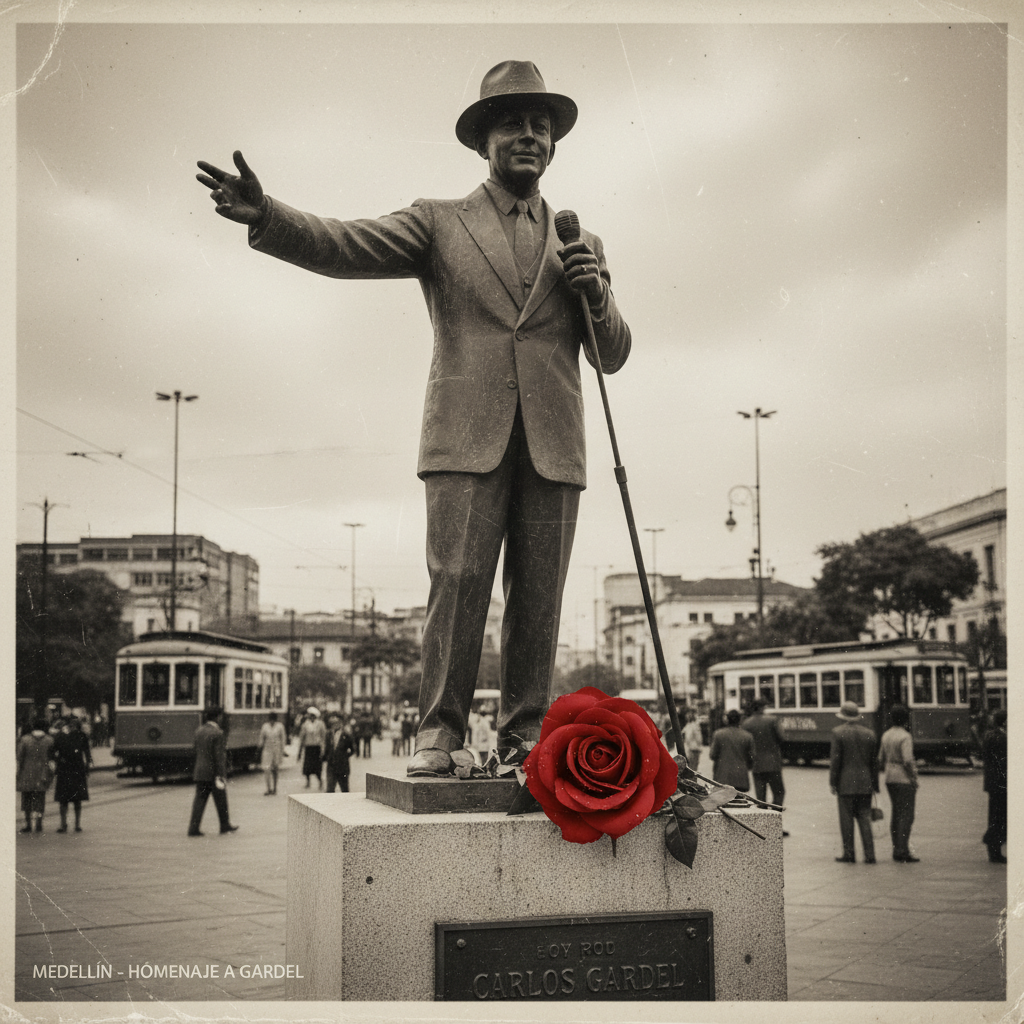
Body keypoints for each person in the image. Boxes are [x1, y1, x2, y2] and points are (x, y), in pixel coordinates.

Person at [197, 60, 630, 779]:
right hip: (466, 439)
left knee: (541, 598)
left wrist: (597, 293)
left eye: (541, 127)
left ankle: (524, 737)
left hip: (556, 444)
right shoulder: (439, 222)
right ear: (482, 140)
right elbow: (346, 244)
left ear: (553, 145)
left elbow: (610, 355)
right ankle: (440, 733)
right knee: (457, 582)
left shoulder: (579, 240)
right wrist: (269, 215)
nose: (530, 136)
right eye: (514, 124)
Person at [829, 701, 879, 864]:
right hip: (865, 783)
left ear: (843, 716)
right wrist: (875, 785)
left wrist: (833, 782)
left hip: (845, 783)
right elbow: (874, 763)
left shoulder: (837, 733)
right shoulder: (870, 734)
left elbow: (835, 761)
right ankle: (870, 855)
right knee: (865, 818)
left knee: (846, 820)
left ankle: (849, 854)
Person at [187, 707, 238, 836]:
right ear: (217, 717)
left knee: (199, 801)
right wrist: (222, 774)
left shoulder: (199, 731)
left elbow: (194, 750)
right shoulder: (218, 733)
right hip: (214, 773)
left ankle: (193, 828)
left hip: (200, 772)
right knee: (221, 800)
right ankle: (224, 825)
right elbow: (219, 757)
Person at [878, 703, 919, 862]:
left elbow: (880, 758)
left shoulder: (886, 735)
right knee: (906, 815)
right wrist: (913, 777)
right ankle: (902, 850)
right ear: (905, 719)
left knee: (896, 813)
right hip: (903, 778)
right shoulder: (905, 736)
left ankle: (896, 847)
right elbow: (908, 760)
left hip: (889, 777)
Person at [741, 699, 789, 834]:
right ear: (762, 707)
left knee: (760, 797)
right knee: (779, 792)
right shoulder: (773, 720)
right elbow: (782, 738)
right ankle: (774, 825)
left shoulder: (746, 723)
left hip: (756, 765)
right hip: (773, 763)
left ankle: (763, 828)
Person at [52, 714, 92, 832]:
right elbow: (87, 753)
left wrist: (58, 761)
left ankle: (67, 824)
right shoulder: (80, 736)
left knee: (66, 799)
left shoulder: (60, 736)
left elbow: (53, 752)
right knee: (75, 799)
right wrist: (87, 766)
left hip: (66, 769)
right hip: (76, 769)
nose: (72, 725)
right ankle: (74, 824)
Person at [16, 719, 55, 834]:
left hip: (26, 773)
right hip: (43, 773)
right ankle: (39, 823)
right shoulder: (49, 740)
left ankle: (28, 824)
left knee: (27, 799)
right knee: (40, 799)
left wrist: (18, 774)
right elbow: (52, 758)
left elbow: (19, 757)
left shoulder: (25, 740)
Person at [981, 709, 1007, 864]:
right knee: (1000, 816)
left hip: (992, 782)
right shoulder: (1001, 738)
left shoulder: (989, 735)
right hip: (1000, 782)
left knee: (995, 815)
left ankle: (993, 846)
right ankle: (992, 842)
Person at [709, 710, 754, 792]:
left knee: (723, 803)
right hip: (741, 778)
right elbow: (752, 757)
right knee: (739, 803)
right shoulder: (748, 736)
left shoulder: (718, 734)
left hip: (722, 777)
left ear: (727, 720)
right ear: (740, 720)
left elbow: (712, 755)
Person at [323, 713, 356, 793]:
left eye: (337, 722)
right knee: (330, 789)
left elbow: (353, 749)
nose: (334, 725)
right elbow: (327, 749)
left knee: (344, 790)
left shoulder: (346, 735)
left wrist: (345, 756)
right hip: (331, 766)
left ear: (341, 723)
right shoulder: (328, 734)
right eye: (333, 723)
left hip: (343, 767)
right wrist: (325, 757)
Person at [258, 711, 287, 796]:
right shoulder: (265, 726)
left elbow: (283, 739)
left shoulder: (280, 726)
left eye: (273, 720)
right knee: (266, 770)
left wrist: (282, 750)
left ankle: (275, 788)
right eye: (271, 720)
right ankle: (268, 788)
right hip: (267, 750)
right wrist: (259, 747)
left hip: (277, 750)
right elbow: (261, 738)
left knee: (275, 770)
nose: (272, 722)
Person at [296, 707, 326, 788]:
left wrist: (323, 749)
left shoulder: (320, 724)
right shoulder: (305, 724)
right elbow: (302, 737)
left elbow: (323, 737)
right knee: (307, 766)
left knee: (317, 767)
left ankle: (320, 781)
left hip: (317, 747)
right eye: (310, 716)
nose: (312, 717)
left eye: (313, 716)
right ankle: (308, 782)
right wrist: (300, 750)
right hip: (309, 747)